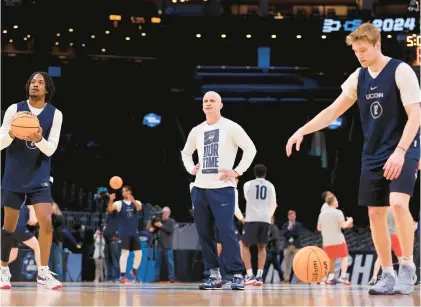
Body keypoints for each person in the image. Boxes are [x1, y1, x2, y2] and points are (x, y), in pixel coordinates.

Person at [286, 22, 420, 295]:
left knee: (397, 204)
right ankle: (387, 273)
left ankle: (407, 265)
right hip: (373, 153)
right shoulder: (358, 77)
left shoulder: (401, 71)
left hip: (404, 147)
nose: (359, 55)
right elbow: (333, 111)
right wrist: (302, 129)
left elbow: (416, 115)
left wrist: (401, 152)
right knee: (375, 213)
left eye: (363, 49)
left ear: (377, 45)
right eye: (356, 51)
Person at [181, 91, 256, 290]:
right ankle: (213, 275)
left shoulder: (231, 127)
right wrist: (190, 168)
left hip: (223, 189)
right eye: (205, 101)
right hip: (199, 189)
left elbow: (250, 148)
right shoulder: (197, 130)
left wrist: (237, 171)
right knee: (204, 234)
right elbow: (186, 153)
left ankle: (237, 274)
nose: (208, 103)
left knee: (226, 231)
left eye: (212, 100)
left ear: (221, 105)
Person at [1, 72, 63, 290]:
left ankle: (43, 273)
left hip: (39, 175)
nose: (35, 85)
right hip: (14, 173)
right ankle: (3, 271)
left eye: (40, 82)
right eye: (32, 82)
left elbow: (51, 149)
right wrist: (11, 133)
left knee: (46, 220)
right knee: (8, 228)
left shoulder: (55, 114)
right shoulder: (14, 110)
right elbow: (0, 144)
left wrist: (38, 138)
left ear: (47, 89)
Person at [242, 164, 277, 286]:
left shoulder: (248, 184)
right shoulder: (270, 186)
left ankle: (250, 274)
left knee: (245, 245)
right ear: (265, 174)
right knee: (262, 247)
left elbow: (248, 199)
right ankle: (259, 276)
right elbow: (273, 203)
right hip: (265, 219)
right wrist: (268, 215)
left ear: (254, 173)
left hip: (252, 217)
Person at [108, 186, 142, 283]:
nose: (124, 193)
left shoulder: (137, 202)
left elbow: (139, 208)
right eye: (122, 191)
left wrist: (133, 200)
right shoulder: (119, 203)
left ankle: (134, 271)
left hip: (134, 232)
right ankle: (122, 276)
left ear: (130, 191)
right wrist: (110, 200)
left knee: (139, 254)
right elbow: (110, 209)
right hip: (124, 232)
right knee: (125, 254)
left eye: (126, 191)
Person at [317, 194, 352, 285]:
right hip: (338, 238)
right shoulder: (338, 212)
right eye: (336, 200)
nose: (338, 202)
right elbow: (343, 225)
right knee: (345, 256)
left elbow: (319, 228)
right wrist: (350, 221)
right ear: (333, 202)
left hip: (327, 240)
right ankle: (343, 277)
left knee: (331, 258)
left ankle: (330, 277)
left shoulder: (322, 214)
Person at [8, 203, 41, 268]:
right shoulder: (30, 204)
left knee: (13, 256)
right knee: (37, 247)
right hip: (19, 229)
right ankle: (41, 274)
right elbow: (32, 221)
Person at [148, 207, 176, 282]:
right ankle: (156, 277)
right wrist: (152, 228)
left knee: (170, 263)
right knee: (157, 262)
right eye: (163, 213)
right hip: (159, 245)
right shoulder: (159, 221)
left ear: (169, 213)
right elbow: (152, 230)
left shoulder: (171, 221)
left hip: (167, 245)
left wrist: (161, 226)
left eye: (166, 213)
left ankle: (171, 277)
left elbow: (170, 230)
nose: (164, 214)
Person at [281, 210, 302, 283]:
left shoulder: (298, 225)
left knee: (298, 263)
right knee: (286, 263)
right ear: (288, 216)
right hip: (287, 246)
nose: (292, 217)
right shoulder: (285, 225)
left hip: (296, 246)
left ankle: (300, 278)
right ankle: (286, 278)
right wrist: (289, 229)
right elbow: (283, 234)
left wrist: (289, 232)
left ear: (295, 216)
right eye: (290, 216)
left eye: (293, 215)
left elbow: (297, 234)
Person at [262, 216, 283, 283]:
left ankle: (282, 278)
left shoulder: (274, 227)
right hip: (269, 250)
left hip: (273, 250)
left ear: (273, 220)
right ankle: (262, 279)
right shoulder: (268, 227)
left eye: (271, 219)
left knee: (274, 266)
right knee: (269, 266)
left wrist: (266, 241)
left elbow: (274, 238)